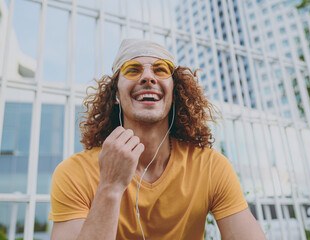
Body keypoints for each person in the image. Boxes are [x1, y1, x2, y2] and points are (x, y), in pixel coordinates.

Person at [49, 39, 265, 240]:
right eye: (132, 70)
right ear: (116, 94)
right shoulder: (74, 172)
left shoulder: (210, 166)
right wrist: (110, 187)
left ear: (175, 91)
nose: (148, 77)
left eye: (160, 70)